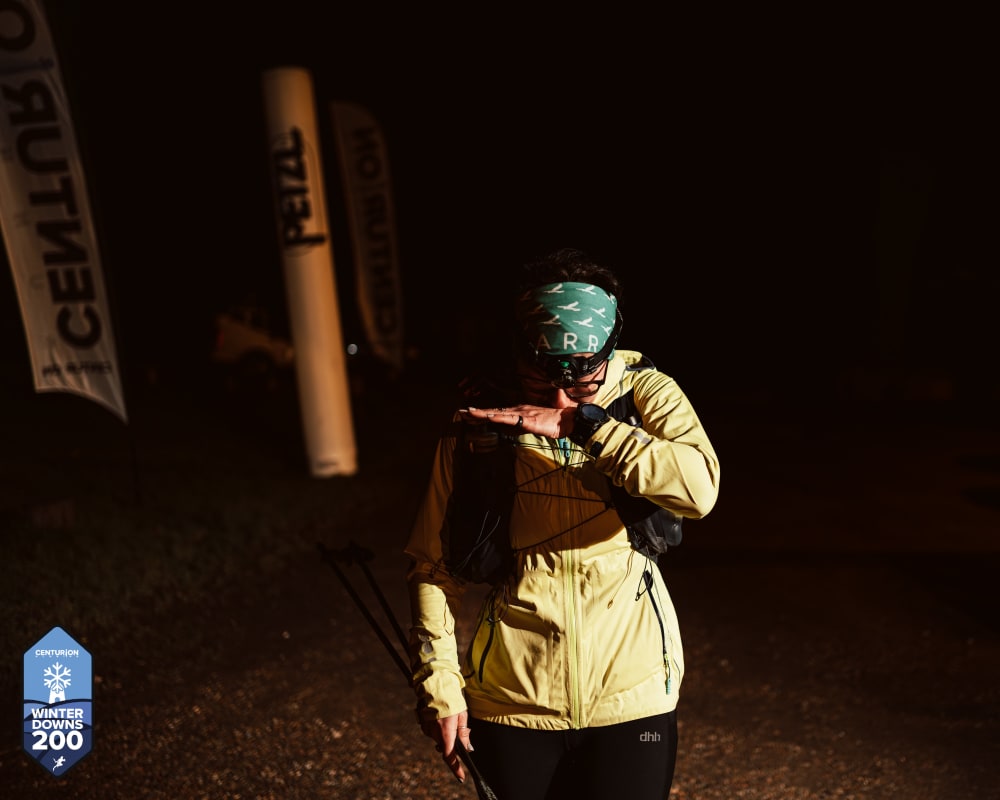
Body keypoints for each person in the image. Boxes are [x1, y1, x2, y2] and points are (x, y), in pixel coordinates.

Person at [404, 247, 720, 799]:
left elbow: (699, 490)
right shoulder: (482, 422)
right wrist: (441, 686)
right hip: (511, 700)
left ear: (607, 354)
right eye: (537, 384)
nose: (556, 400)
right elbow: (432, 566)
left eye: (581, 387)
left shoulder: (646, 394)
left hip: (632, 696)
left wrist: (587, 425)